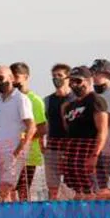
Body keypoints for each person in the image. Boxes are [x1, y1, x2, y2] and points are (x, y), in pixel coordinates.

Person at [0, 64, 34, 202]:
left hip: (15, 149)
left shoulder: (21, 99)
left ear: (11, 78)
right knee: (0, 189)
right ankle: (6, 216)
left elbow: (31, 126)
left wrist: (20, 149)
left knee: (5, 186)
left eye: (0, 78)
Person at [62, 66, 108, 199]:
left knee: (96, 193)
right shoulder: (70, 106)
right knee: (77, 192)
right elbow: (69, 130)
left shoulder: (96, 101)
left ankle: (102, 216)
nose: (74, 85)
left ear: (88, 81)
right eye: (71, 82)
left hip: (89, 153)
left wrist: (94, 155)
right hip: (73, 155)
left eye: (77, 81)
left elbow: (103, 130)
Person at [9, 63, 47, 201]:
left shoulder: (35, 100)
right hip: (10, 153)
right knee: (10, 190)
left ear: (26, 77)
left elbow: (42, 128)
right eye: (11, 77)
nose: (13, 81)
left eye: (16, 77)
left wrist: (24, 139)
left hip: (29, 155)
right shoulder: (8, 99)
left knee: (24, 191)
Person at [91, 59, 110, 197]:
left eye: (96, 73)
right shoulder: (94, 94)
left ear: (107, 74)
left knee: (109, 188)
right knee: (97, 188)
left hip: (108, 150)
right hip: (94, 149)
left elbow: (106, 120)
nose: (94, 76)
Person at [43, 63, 73, 199]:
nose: (56, 79)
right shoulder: (48, 100)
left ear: (68, 77)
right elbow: (46, 123)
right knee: (52, 187)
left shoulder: (74, 99)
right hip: (52, 147)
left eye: (59, 75)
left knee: (71, 186)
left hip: (71, 148)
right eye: (54, 76)